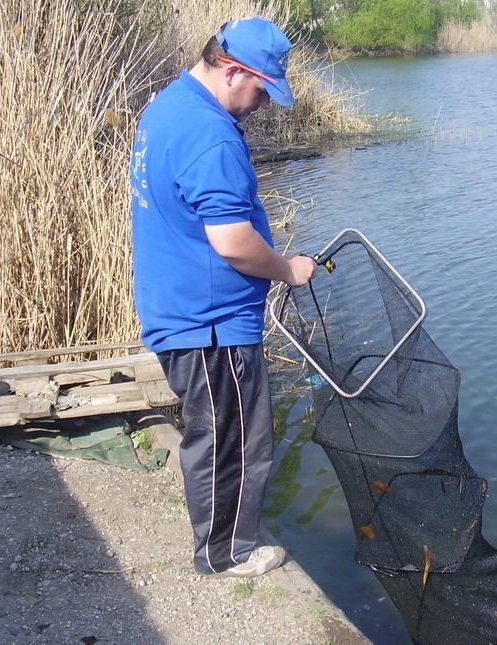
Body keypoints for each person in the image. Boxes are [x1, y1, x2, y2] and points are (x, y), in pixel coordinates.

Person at [129, 17, 317, 577]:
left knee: (218, 429)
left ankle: (220, 539)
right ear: (233, 71)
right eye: (261, 90)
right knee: (233, 438)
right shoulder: (209, 134)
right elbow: (234, 243)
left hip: (177, 303)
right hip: (209, 323)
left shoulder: (170, 103)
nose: (263, 104)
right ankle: (224, 553)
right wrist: (286, 269)